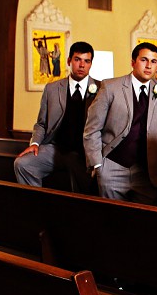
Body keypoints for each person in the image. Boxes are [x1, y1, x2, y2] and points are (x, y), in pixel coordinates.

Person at [84, 43, 157, 204]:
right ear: (133, 62)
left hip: (147, 171)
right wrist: (98, 165)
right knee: (112, 221)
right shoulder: (110, 87)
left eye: (153, 61)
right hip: (112, 167)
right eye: (144, 60)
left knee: (145, 223)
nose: (148, 65)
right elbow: (92, 129)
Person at [15, 42, 102, 193]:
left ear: (91, 64)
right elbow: (41, 123)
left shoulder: (102, 89)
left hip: (83, 153)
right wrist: (35, 143)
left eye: (86, 61)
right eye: (77, 59)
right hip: (55, 149)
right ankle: (36, 209)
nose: (82, 65)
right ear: (69, 61)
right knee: (22, 164)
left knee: (88, 186)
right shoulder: (52, 89)